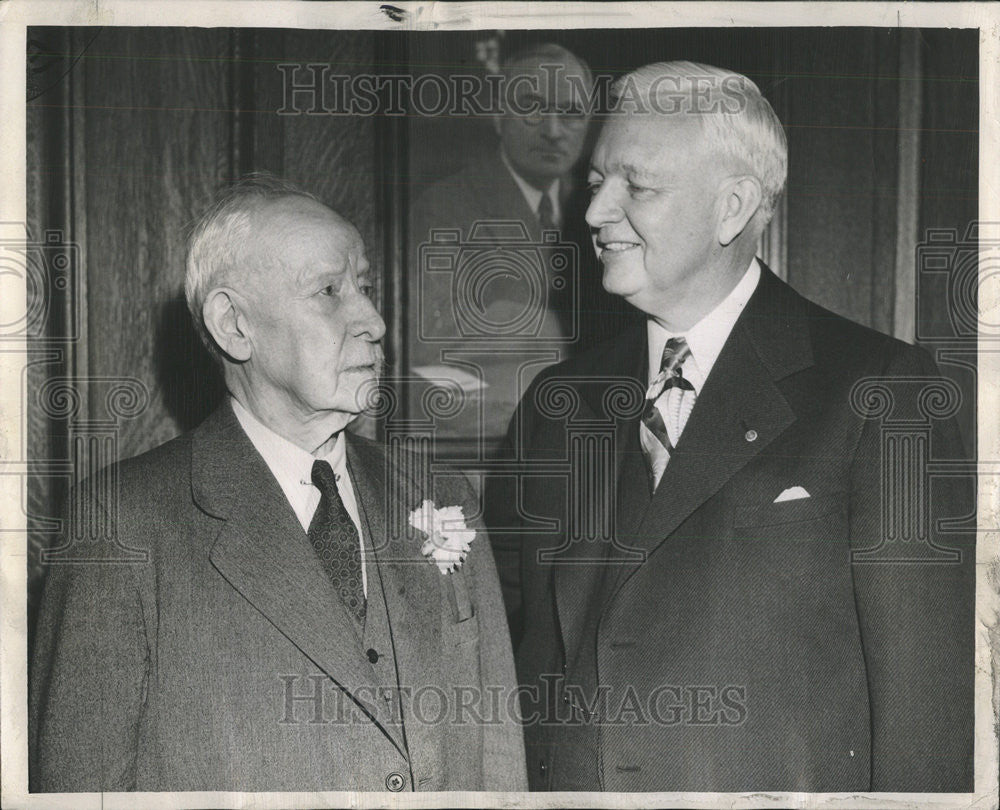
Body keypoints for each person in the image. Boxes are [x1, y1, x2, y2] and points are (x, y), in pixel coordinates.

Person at [486, 62, 974, 792]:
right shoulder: (559, 403)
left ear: (732, 206)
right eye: (595, 184)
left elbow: (923, 715)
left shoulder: (880, 392)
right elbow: (526, 664)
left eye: (636, 186)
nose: (593, 213)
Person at [29, 175, 527, 792]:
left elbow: (500, 763)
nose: (373, 320)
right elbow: (81, 787)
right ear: (234, 325)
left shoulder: (442, 496)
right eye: (329, 291)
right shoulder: (121, 526)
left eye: (365, 287)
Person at [409, 43, 635, 447]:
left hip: (593, 435)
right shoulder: (443, 209)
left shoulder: (604, 211)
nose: (552, 130)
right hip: (488, 442)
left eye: (570, 113)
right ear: (498, 115)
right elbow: (430, 357)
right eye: (532, 107)